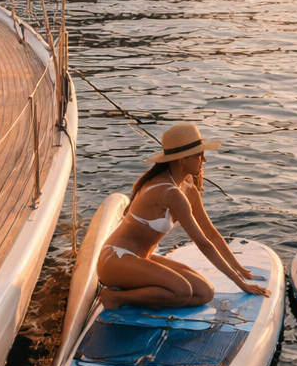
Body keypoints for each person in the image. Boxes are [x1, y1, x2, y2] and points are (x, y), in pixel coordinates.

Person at [97, 123, 270, 309]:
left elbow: (211, 235)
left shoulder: (188, 189)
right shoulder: (168, 192)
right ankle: (117, 297)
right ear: (181, 159)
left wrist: (240, 269)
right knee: (183, 291)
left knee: (205, 292)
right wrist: (241, 284)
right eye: (198, 155)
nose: (204, 159)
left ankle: (140, 292)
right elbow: (203, 244)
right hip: (115, 259)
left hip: (142, 259)